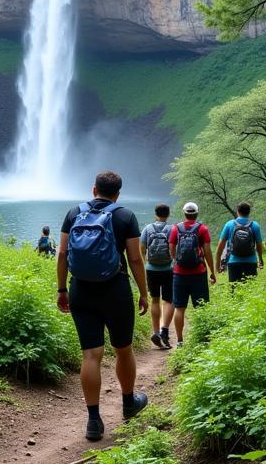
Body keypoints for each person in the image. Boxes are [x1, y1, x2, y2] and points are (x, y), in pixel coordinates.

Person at [57, 171, 150, 441]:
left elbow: (62, 253)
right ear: (117, 193)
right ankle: (129, 404)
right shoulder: (125, 216)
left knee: (90, 355)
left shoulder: (74, 213)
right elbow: (134, 259)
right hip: (115, 290)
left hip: (81, 290)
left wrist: (62, 289)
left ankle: (94, 421)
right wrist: (143, 292)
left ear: (93, 189)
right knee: (123, 349)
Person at [168, 202, 217, 347]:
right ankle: (202, 340)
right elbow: (207, 251)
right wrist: (212, 271)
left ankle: (180, 341)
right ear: (196, 213)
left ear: (185, 213)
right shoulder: (202, 229)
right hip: (198, 273)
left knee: (179, 308)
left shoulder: (176, 228)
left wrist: (176, 260)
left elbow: (171, 247)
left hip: (179, 273)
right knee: (201, 307)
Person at [140, 203, 175, 349]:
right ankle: (164, 330)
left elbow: (141, 250)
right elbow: (175, 249)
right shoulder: (172, 229)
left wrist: (145, 264)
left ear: (155, 214)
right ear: (168, 214)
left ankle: (155, 332)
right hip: (168, 269)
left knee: (155, 300)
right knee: (169, 301)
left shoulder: (147, 229)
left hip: (151, 269)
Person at [217, 201, 265, 284]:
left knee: (234, 292)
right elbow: (259, 246)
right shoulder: (255, 225)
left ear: (237, 212)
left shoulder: (229, 224)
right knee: (250, 291)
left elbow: (220, 246)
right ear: (249, 212)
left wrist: (218, 263)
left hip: (234, 262)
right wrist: (260, 259)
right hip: (251, 262)